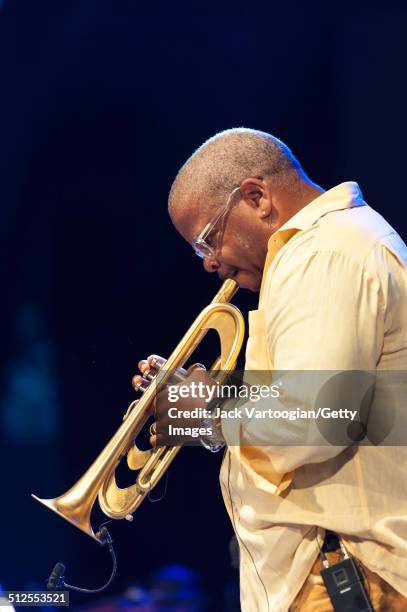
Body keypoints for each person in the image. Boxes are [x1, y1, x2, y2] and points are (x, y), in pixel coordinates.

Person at [133, 128, 407, 611]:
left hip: (347, 575)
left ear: (257, 197)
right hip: (328, 575)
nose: (210, 263)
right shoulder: (320, 253)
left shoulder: (326, 252)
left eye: (207, 240)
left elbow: (320, 420)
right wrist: (198, 406)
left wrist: (207, 411)